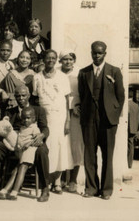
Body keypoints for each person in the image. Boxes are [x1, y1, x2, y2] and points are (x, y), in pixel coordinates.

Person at [0, 86, 50, 202]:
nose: (21, 98)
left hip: (32, 142)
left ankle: (45, 189)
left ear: (29, 96)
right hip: (13, 143)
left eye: (23, 95)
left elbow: (45, 129)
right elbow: (5, 128)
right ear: (15, 97)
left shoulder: (38, 110)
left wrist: (41, 136)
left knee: (43, 151)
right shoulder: (10, 112)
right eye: (18, 96)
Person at [78, 41, 125, 200]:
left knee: (107, 155)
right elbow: (82, 94)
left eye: (100, 53)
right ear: (90, 53)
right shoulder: (83, 72)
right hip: (89, 119)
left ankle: (106, 190)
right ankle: (91, 188)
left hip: (108, 121)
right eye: (94, 53)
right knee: (89, 155)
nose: (96, 55)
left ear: (105, 53)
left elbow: (121, 96)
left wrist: (114, 115)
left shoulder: (115, 71)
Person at [33, 49, 73, 194]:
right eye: (48, 58)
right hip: (45, 118)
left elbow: (68, 100)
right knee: (48, 148)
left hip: (60, 116)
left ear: (57, 60)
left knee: (60, 147)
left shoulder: (62, 77)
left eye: (53, 58)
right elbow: (36, 99)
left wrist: (67, 120)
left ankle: (57, 182)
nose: (50, 60)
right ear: (43, 59)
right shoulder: (37, 77)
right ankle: (47, 181)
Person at [0, 107, 41, 200]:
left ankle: (14, 192)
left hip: (30, 151)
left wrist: (29, 143)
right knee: (16, 170)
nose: (26, 120)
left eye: (28, 118)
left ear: (33, 119)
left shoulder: (35, 128)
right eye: (23, 118)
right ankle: (4, 191)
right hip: (22, 153)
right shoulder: (22, 128)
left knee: (22, 168)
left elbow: (38, 140)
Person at [59, 50, 83, 192]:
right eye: (64, 59)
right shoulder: (56, 73)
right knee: (62, 143)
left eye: (70, 59)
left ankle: (73, 180)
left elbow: (84, 93)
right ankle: (61, 178)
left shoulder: (80, 74)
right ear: (60, 61)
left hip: (75, 113)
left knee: (76, 145)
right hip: (60, 112)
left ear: (74, 60)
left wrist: (77, 106)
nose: (67, 62)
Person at [127, 90, 139, 169]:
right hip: (133, 129)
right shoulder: (136, 105)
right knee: (131, 146)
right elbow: (138, 118)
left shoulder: (126, 105)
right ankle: (129, 164)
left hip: (127, 128)